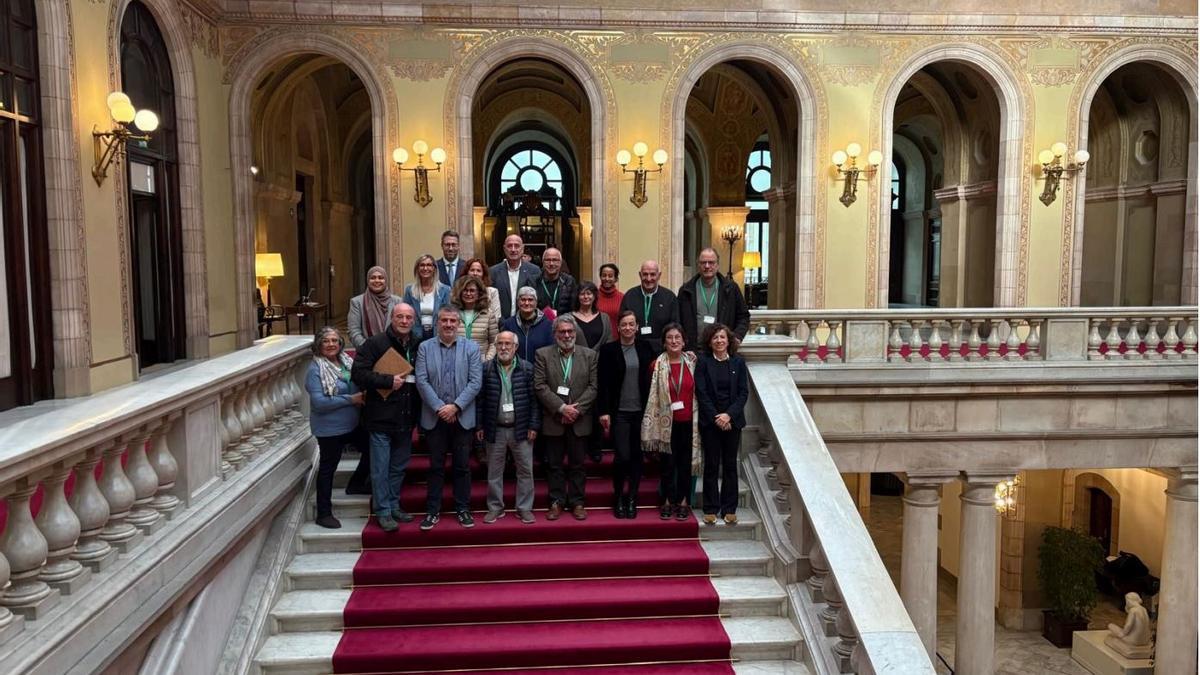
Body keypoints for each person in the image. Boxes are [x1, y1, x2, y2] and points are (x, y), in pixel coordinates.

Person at [350, 303, 423, 532]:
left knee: (398, 467)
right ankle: (382, 511)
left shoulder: (417, 344)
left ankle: (393, 504)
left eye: (408, 317)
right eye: (399, 316)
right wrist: (387, 381)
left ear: (414, 320)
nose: (404, 321)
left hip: (406, 417)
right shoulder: (375, 343)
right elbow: (358, 374)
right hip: (380, 417)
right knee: (380, 468)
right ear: (392, 318)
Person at [415, 306, 483, 530]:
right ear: (437, 323)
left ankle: (463, 509)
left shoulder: (471, 348)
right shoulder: (424, 347)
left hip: (462, 418)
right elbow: (421, 381)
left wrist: (455, 407)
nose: (449, 325)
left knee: (462, 466)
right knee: (435, 466)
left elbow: (475, 382)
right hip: (434, 419)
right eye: (444, 320)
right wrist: (440, 408)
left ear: (459, 324)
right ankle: (433, 510)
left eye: (453, 321)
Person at [533, 316, 598, 521]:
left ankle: (578, 502)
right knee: (554, 465)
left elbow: (593, 387)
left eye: (570, 331)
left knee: (578, 464)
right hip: (554, 419)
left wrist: (575, 410)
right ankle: (556, 501)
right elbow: (540, 386)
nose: (567, 335)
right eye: (562, 332)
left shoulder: (590, 355)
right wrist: (561, 408)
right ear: (555, 334)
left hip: (579, 419)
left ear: (576, 332)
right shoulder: (542, 354)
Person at [477, 331, 541, 525]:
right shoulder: (486, 369)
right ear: (495, 346)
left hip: (520, 429)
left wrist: (533, 425)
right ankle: (495, 508)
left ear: (516, 347)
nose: (504, 347)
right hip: (494, 429)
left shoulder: (527, 368)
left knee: (525, 471)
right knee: (494, 472)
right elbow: (480, 401)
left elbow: (535, 402)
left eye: (508, 344)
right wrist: (479, 425)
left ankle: (524, 508)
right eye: (500, 344)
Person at [304, 327, 366, 529]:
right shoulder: (315, 369)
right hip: (329, 428)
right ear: (319, 345)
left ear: (341, 343)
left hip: (352, 424)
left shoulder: (347, 361)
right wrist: (351, 399)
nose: (331, 344)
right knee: (328, 470)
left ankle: (356, 483)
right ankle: (323, 513)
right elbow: (320, 403)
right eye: (326, 341)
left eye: (335, 341)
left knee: (373, 448)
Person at [597, 310, 655, 518]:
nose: (628, 328)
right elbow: (602, 383)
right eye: (624, 324)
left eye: (632, 324)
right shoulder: (608, 350)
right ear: (618, 327)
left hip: (641, 412)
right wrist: (603, 411)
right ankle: (619, 496)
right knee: (622, 456)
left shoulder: (646, 348)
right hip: (619, 412)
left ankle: (632, 498)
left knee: (637, 457)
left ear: (637, 327)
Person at [641, 323, 699, 521]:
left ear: (684, 341)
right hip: (665, 424)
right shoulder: (656, 365)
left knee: (684, 465)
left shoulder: (692, 363)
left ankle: (683, 501)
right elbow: (650, 396)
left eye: (677, 338)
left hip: (689, 422)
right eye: (670, 338)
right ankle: (666, 499)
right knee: (667, 465)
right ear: (664, 342)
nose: (674, 341)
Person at [694, 323, 748, 526]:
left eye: (722, 337)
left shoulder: (738, 363)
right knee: (711, 465)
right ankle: (710, 508)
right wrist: (717, 417)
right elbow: (701, 392)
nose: (719, 341)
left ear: (729, 340)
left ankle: (729, 509)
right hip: (711, 422)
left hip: (732, 422)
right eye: (715, 337)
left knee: (730, 466)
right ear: (710, 341)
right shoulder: (703, 362)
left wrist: (728, 416)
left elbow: (744, 393)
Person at [677, 248, 751, 352]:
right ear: (698, 265)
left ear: (717, 265)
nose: (707, 266)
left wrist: (737, 337)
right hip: (693, 352)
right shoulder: (686, 290)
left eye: (711, 262)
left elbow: (743, 317)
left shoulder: (731, 289)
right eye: (703, 263)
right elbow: (677, 320)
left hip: (722, 351)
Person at [619, 260, 680, 354]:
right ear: (640, 275)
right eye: (645, 274)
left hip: (662, 352)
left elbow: (675, 326)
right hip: (634, 350)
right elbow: (622, 324)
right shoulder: (630, 296)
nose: (648, 278)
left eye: (652, 274)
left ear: (659, 275)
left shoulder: (669, 297)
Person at [346, 266, 403, 349]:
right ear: (368, 280)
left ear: (386, 280)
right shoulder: (357, 302)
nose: (377, 281)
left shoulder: (397, 301)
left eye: (381, 278)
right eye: (373, 278)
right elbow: (353, 331)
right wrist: (368, 348)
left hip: (393, 350)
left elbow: (402, 327)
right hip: (367, 351)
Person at [489, 234, 541, 319]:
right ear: (504, 249)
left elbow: (538, 299)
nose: (513, 249)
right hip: (501, 324)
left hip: (526, 323)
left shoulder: (534, 271)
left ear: (522, 248)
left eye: (517, 246)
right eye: (509, 246)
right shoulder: (493, 272)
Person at [450, 275, 498, 362]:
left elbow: (494, 342)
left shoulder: (488, 314)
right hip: (456, 362)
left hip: (480, 363)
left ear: (479, 293)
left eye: (472, 291)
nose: (468, 294)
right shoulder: (451, 314)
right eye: (465, 290)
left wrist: (487, 360)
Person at [402, 254, 451, 338]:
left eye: (429, 265)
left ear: (434, 269)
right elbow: (405, 314)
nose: (425, 268)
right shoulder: (409, 290)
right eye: (422, 265)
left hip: (437, 335)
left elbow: (448, 314)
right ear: (417, 269)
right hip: (415, 337)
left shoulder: (445, 290)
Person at [501, 286, 554, 363]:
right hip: (516, 371)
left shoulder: (547, 325)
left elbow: (551, 352)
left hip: (540, 371)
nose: (526, 303)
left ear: (536, 302)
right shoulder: (509, 324)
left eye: (530, 300)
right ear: (518, 302)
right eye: (523, 300)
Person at [561, 281, 612, 351]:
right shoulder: (568, 318)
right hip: (576, 360)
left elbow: (609, 342)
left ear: (594, 296)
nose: (585, 297)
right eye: (582, 294)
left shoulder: (605, 318)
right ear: (577, 297)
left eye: (589, 293)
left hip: (601, 360)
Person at [536, 247, 576, 318]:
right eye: (548, 260)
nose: (551, 263)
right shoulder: (535, 281)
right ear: (543, 262)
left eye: (555, 260)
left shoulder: (569, 281)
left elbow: (574, 308)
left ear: (560, 263)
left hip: (563, 324)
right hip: (540, 324)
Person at [596, 263, 624, 340]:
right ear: (600, 277)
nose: (607, 278)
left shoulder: (623, 298)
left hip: (617, 341)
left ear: (616, 279)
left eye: (610, 276)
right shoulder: (593, 297)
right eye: (604, 275)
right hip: (597, 341)